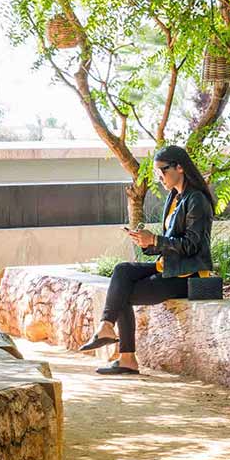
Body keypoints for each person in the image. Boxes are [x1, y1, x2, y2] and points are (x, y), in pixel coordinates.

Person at [78, 144, 215, 375]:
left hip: (188, 275)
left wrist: (156, 240)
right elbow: (170, 242)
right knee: (122, 271)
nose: (158, 177)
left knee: (121, 294)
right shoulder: (175, 197)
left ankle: (126, 357)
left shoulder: (197, 200)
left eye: (161, 171)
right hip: (171, 267)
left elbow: (192, 246)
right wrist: (147, 242)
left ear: (179, 167)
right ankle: (107, 329)